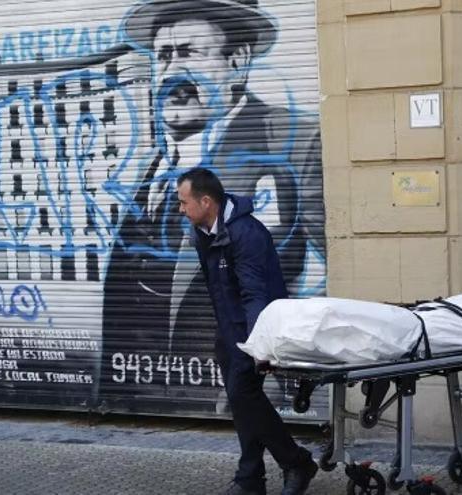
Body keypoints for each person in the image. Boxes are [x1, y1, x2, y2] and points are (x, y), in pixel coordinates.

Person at [101, 0, 323, 396]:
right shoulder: (158, 163)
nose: (171, 71)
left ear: (237, 61)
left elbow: (333, 272)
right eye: (163, 56)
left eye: (187, 53)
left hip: (239, 372)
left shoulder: (294, 139)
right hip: (151, 390)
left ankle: (279, 457)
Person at [176, 167, 317, 495]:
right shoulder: (203, 232)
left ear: (206, 201)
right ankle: (251, 479)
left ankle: (295, 461)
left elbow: (256, 294)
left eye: (184, 203)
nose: (180, 209)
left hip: (255, 330)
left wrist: (259, 345)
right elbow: (217, 287)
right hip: (229, 330)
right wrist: (224, 333)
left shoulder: (247, 234)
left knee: (243, 395)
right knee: (243, 402)